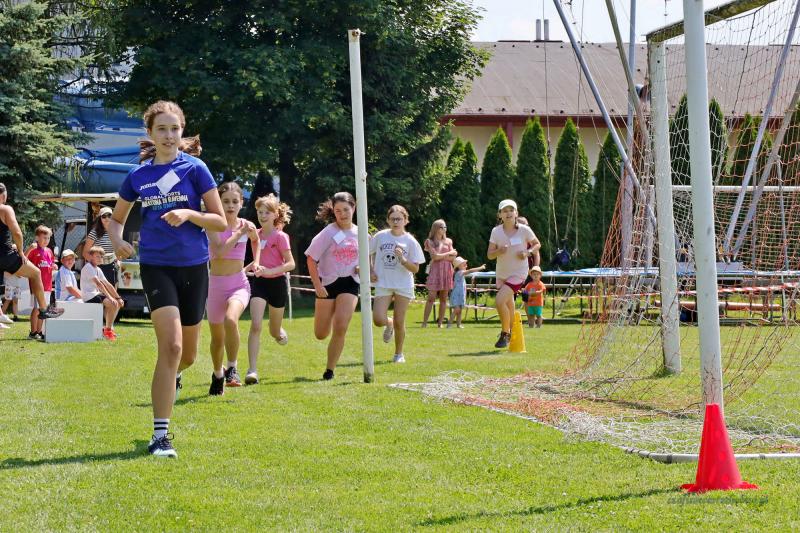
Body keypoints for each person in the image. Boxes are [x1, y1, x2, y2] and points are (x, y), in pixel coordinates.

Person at [108, 100, 226, 458]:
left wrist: (190, 213)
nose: (169, 135)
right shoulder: (138, 176)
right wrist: (118, 241)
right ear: (150, 133)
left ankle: (174, 375)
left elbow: (220, 220)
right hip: (156, 265)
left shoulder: (195, 169)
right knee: (171, 348)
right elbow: (115, 220)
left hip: (194, 266)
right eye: (162, 129)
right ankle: (160, 436)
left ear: (182, 131)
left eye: (175, 128)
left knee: (187, 355)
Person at [206, 181, 260, 395]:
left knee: (231, 319)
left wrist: (256, 261)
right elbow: (219, 252)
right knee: (217, 339)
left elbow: (256, 240)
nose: (230, 205)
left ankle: (232, 368)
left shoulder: (247, 224)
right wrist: (238, 234)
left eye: (234, 201)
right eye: (226, 201)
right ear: (219, 203)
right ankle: (218, 374)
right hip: (215, 287)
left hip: (239, 284)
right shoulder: (212, 224)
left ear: (241, 203)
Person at [305, 192, 360, 381]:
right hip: (328, 284)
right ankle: (325, 323)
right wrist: (317, 285)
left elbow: (366, 260)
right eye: (338, 211)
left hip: (350, 283)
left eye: (346, 209)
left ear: (353, 208)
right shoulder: (328, 232)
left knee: (341, 326)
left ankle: (329, 370)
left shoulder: (361, 233)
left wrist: (363, 268)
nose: (342, 214)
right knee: (321, 334)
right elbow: (311, 258)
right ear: (333, 212)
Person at [246, 193, 295, 385]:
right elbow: (257, 260)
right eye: (260, 212)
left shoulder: (281, 236)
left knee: (274, 331)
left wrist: (270, 271)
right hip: (259, 283)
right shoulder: (255, 235)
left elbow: (290, 264)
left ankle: (277, 332)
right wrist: (245, 269)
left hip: (277, 284)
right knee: (256, 325)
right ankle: (252, 370)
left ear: (275, 214)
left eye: (267, 212)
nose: (263, 215)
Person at [0, 184, 63, 325]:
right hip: (5, 255)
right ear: (3, 195)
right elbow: (17, 233)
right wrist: (20, 252)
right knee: (35, 273)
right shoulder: (5, 209)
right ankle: (44, 309)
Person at [369, 205, 425, 363]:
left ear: (406, 221)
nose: (395, 222)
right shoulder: (380, 236)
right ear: (388, 220)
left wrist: (403, 259)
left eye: (399, 219)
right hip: (383, 282)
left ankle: (398, 354)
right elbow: (367, 253)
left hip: (403, 284)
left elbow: (415, 268)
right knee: (378, 319)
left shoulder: (411, 241)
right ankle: (389, 323)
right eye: (392, 219)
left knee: (400, 320)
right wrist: (371, 270)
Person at [487, 199, 540, 348]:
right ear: (500, 215)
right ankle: (511, 332)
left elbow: (537, 244)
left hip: (518, 273)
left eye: (511, 210)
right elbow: (490, 255)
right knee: (508, 305)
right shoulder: (496, 231)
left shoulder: (524, 230)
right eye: (505, 211)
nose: (508, 213)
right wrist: (499, 251)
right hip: (502, 274)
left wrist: (528, 252)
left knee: (499, 301)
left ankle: (505, 333)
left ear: (516, 213)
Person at [81, 246, 124, 339]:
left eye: (101, 256)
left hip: (95, 295)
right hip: (88, 296)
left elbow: (107, 284)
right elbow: (99, 284)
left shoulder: (98, 269)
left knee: (116, 303)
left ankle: (108, 329)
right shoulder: (88, 267)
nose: (100, 258)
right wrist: (110, 297)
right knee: (112, 303)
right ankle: (108, 330)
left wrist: (118, 298)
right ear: (90, 257)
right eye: (97, 256)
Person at [422, 219, 457, 328]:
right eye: (441, 227)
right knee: (431, 297)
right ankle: (424, 323)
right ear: (436, 228)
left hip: (447, 271)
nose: (444, 229)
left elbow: (453, 257)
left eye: (445, 227)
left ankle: (440, 323)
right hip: (435, 270)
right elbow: (434, 256)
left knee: (443, 299)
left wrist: (443, 256)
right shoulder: (430, 241)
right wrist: (448, 253)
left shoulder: (449, 241)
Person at [26, 225, 58, 340]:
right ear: (37, 238)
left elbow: (50, 263)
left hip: (47, 286)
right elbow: (23, 260)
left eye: (48, 238)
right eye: (44, 238)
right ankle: (33, 332)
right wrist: (29, 249)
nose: (46, 240)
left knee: (44, 309)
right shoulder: (33, 250)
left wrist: (53, 266)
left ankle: (39, 332)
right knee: (36, 309)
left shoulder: (49, 251)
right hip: (36, 286)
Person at [84, 205, 120, 287]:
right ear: (100, 218)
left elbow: (117, 250)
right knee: (101, 292)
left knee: (112, 291)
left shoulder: (116, 232)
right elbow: (85, 253)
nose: (107, 218)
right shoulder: (94, 232)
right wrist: (95, 264)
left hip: (112, 266)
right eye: (104, 216)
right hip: (99, 267)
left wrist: (118, 261)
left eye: (109, 215)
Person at [448, 257, 486, 329]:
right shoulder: (459, 272)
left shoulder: (460, 273)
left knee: (459, 310)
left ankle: (459, 324)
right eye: (464, 264)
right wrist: (481, 267)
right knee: (457, 310)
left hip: (460, 295)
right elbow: (470, 271)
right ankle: (449, 324)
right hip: (456, 295)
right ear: (459, 266)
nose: (466, 265)